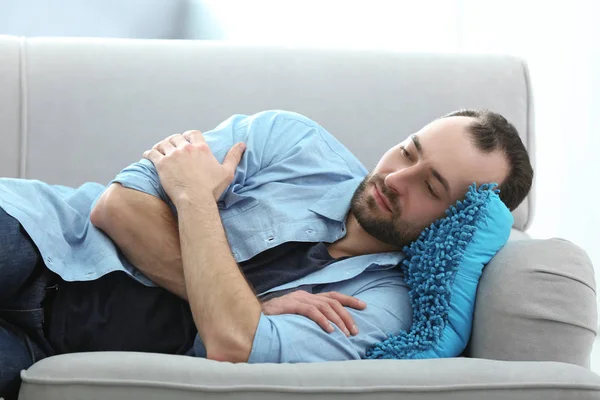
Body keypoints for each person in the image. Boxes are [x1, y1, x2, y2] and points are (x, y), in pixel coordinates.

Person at [0, 109, 533, 399]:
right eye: (408, 150)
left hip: (45, 351)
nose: (396, 177)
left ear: (457, 225)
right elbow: (119, 208)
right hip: (43, 235)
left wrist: (192, 197)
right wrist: (250, 305)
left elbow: (234, 345)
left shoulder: (385, 309)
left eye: (431, 186)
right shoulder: (293, 141)